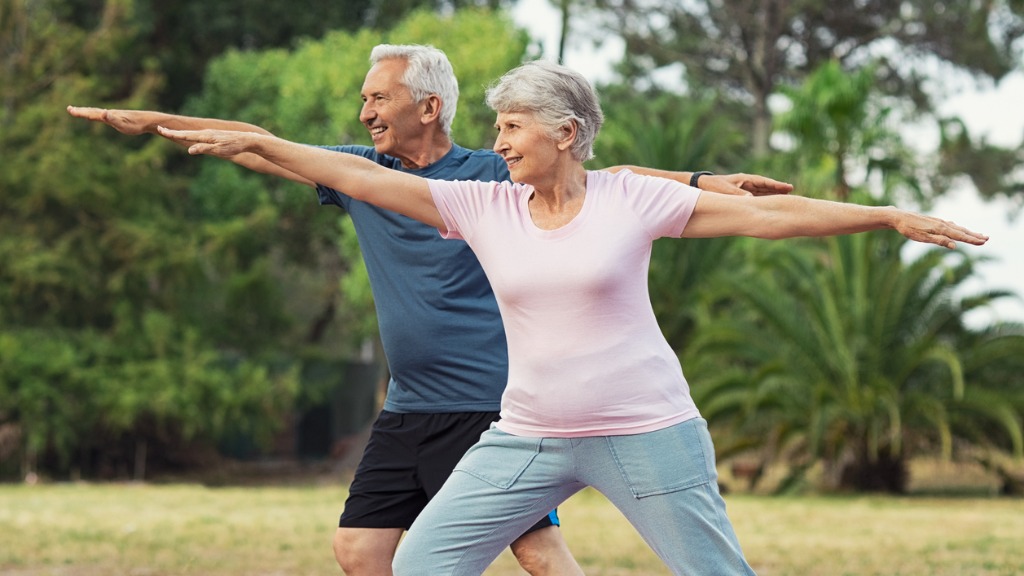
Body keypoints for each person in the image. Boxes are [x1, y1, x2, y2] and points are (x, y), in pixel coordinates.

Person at [156, 58, 988, 575]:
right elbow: (372, 180)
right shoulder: (484, 206)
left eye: (513, 126)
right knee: (422, 564)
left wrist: (883, 215)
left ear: (565, 132)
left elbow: (773, 217)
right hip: (526, 437)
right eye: (497, 126)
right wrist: (256, 141)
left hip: (645, 431)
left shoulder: (632, 199)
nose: (501, 140)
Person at [68, 45, 794, 576]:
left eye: (377, 99)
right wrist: (157, 122)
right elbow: (261, 148)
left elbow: (607, 180)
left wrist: (703, 181)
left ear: (429, 106)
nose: (365, 112)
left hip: (486, 401)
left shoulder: (490, 175)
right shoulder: (363, 175)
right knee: (361, 549)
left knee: (538, 553)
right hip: (410, 403)